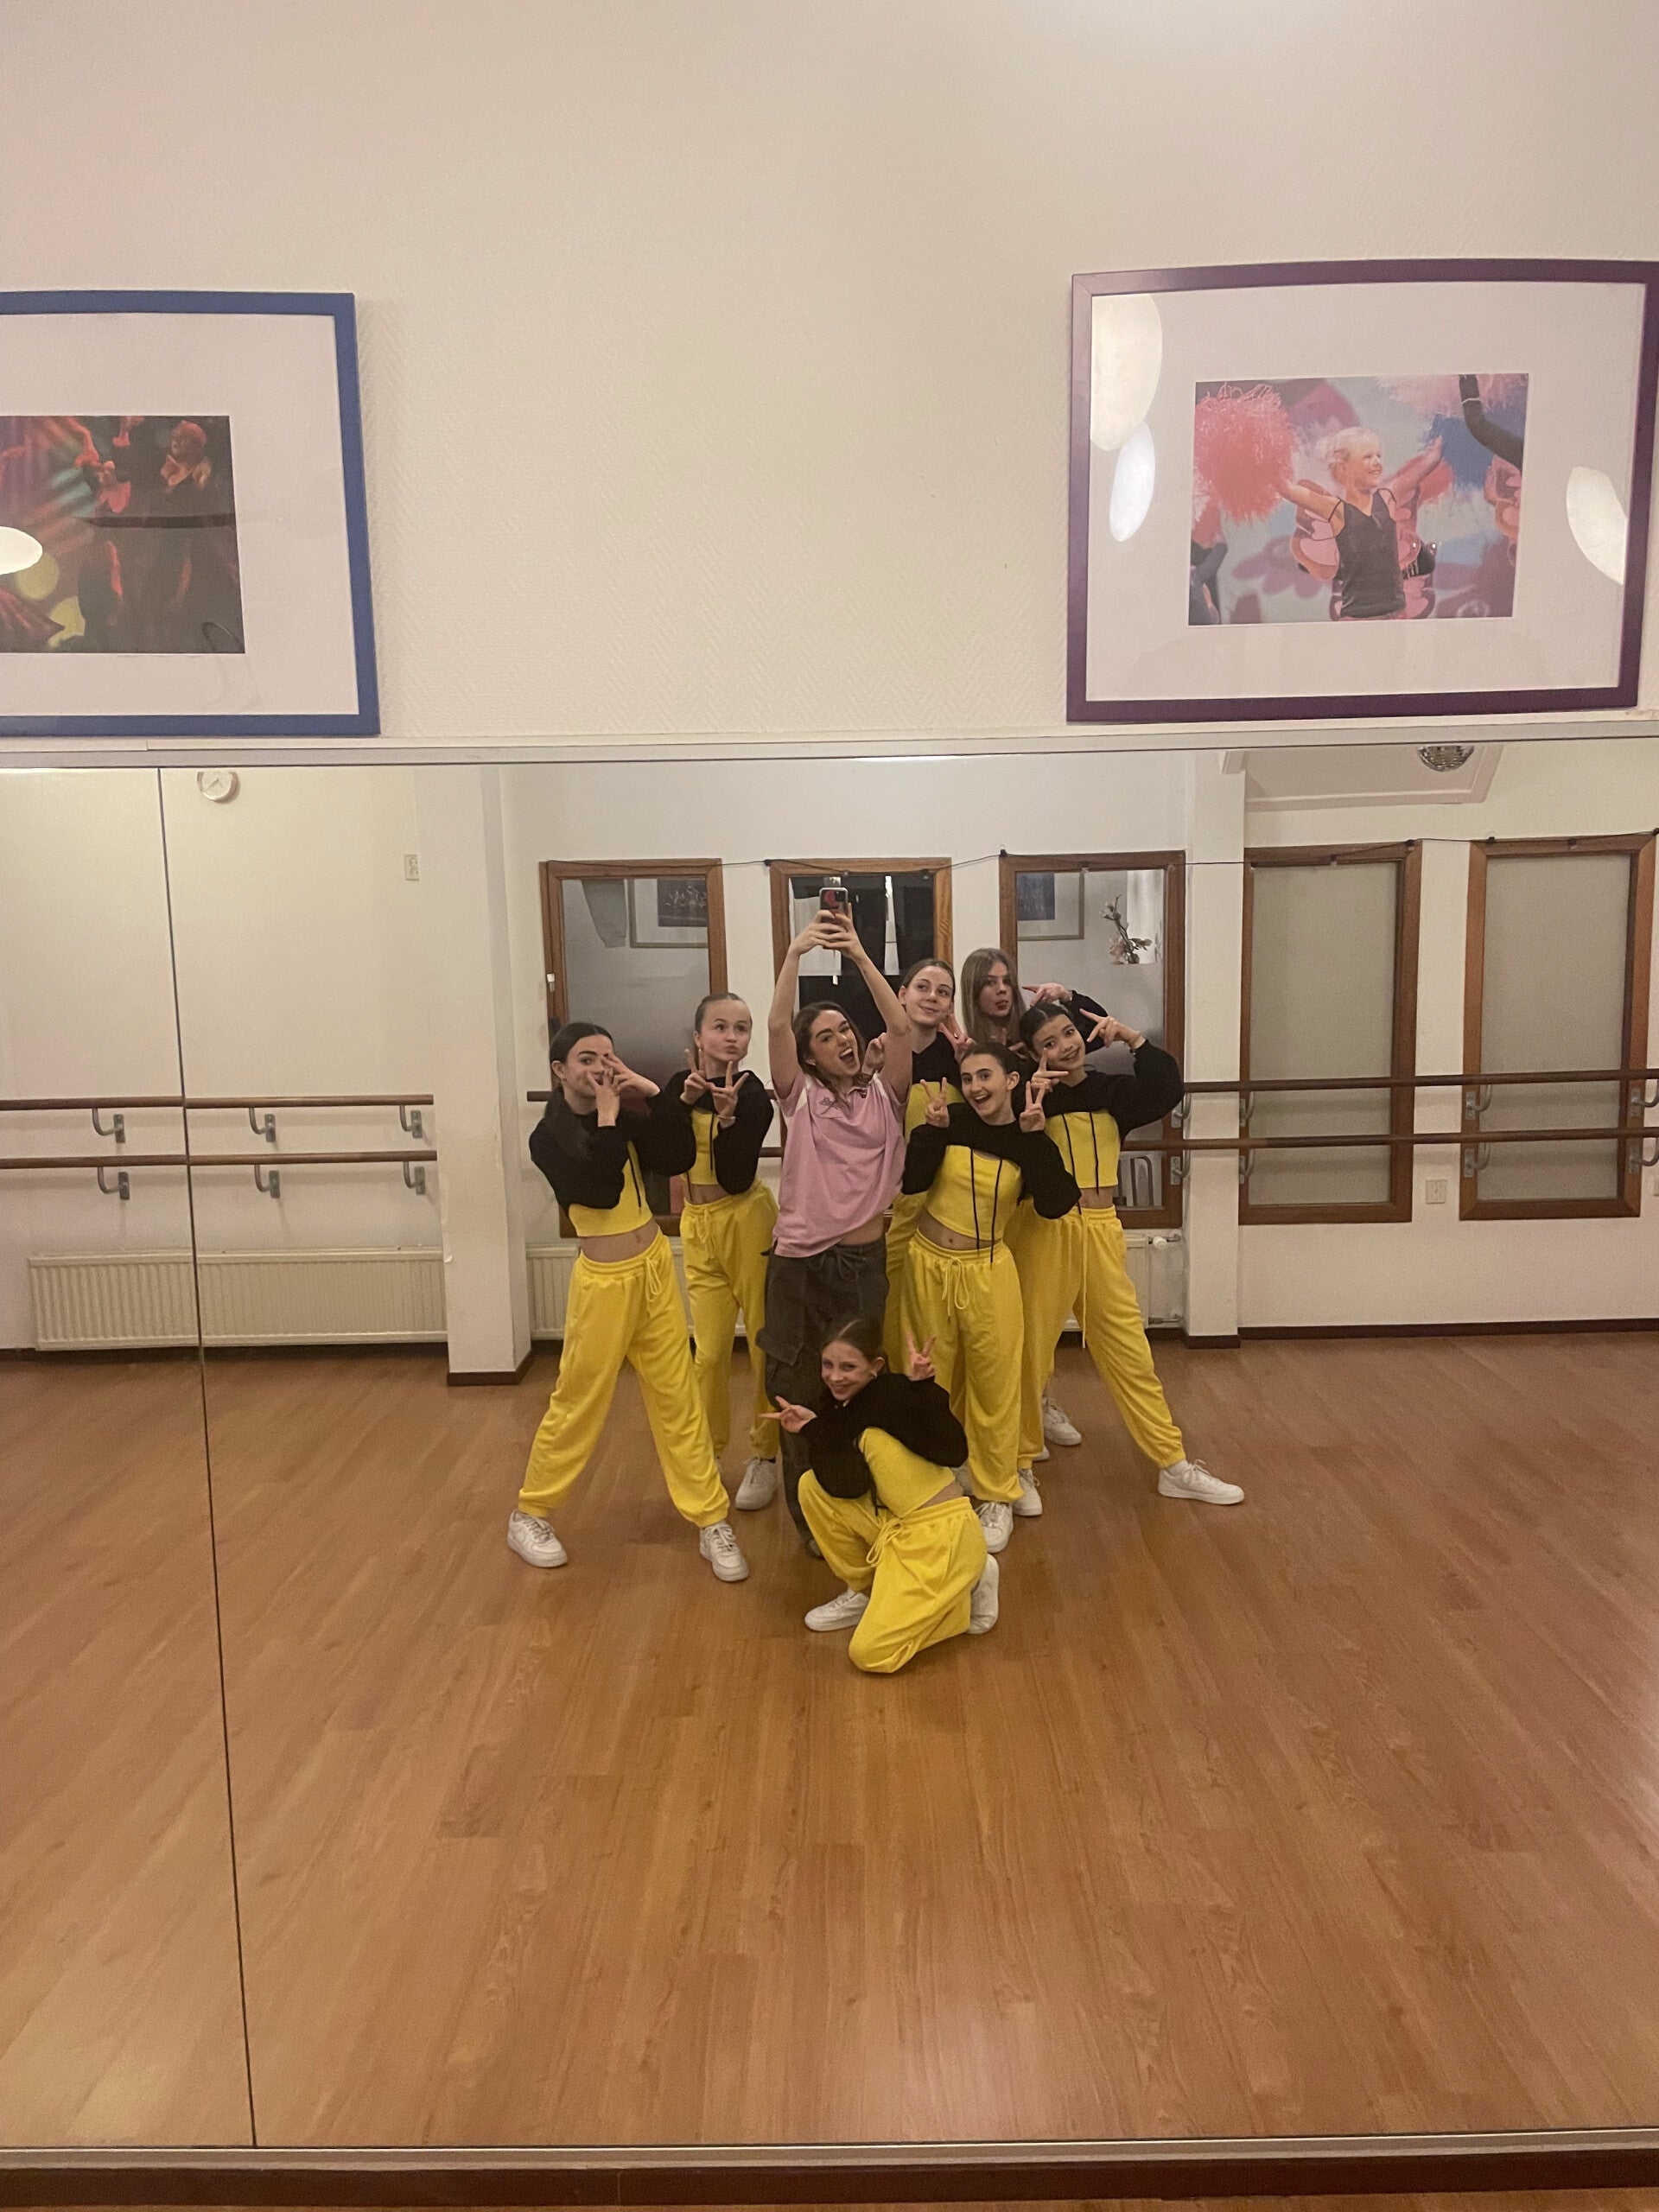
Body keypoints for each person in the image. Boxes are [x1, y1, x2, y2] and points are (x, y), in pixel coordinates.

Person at [508, 1021, 749, 1581]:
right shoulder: (548, 1137)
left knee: (678, 1395)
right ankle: (530, 1512)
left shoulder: (624, 1111)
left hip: (654, 1269)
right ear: (560, 1071)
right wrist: (610, 1118)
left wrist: (652, 1092)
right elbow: (599, 1190)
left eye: (608, 1057)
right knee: (580, 1399)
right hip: (604, 1284)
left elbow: (677, 1154)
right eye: (587, 1059)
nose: (600, 1068)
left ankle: (711, 1518)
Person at [1016, 1000, 1243, 1507]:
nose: (1064, 1047)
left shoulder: (1111, 1091)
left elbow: (1166, 1087)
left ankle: (1173, 1464)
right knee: (1031, 1353)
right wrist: (1027, 1103)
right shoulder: (1029, 1099)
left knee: (1129, 1349)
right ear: (1033, 1054)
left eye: (1068, 1033)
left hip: (1101, 1229)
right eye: (1048, 1043)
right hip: (1045, 1232)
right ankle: (1020, 1464)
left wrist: (1132, 1038)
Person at [759, 910, 913, 1547]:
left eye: (845, 1029)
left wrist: (859, 954)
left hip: (862, 1265)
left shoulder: (886, 1096)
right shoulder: (801, 1099)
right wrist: (795, 954)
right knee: (798, 1391)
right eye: (825, 1037)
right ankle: (813, 1526)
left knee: (859, 1389)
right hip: (799, 1266)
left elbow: (900, 1027)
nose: (842, 1040)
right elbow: (776, 1025)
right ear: (808, 1056)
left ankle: (863, 1506)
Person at [898, 1043, 1079, 1553]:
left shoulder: (1028, 1134)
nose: (976, 1087)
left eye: (985, 1076)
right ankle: (936, 1482)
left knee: (996, 1384)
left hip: (989, 1270)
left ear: (1012, 1081)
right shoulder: (950, 1121)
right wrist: (930, 1132)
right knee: (930, 1378)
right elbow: (912, 1182)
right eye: (968, 1078)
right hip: (927, 1266)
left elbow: (1055, 1204)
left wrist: (1036, 1142)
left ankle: (998, 1492)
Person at [957, 946, 1111, 1453]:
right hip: (989, 1198)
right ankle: (996, 1420)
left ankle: (1038, 1402)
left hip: (1038, 1195)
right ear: (974, 990)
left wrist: (1070, 996)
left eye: (1007, 980)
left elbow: (1092, 1036)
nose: (1001, 990)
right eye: (990, 982)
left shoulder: (1036, 1038)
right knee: (996, 1323)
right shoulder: (968, 1050)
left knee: (1036, 1317)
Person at [777, 1318, 998, 1674]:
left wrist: (923, 1389)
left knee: (870, 1654)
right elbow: (845, 1485)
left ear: (875, 1366)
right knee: (810, 1487)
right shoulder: (842, 1406)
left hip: (942, 1540)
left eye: (848, 1367)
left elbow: (954, 1450)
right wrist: (813, 1427)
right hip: (903, 1528)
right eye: (828, 1365)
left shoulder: (893, 1395)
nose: (835, 1376)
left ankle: (965, 1594)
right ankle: (868, 1592)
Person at [661, 993, 780, 1512]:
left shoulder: (753, 1097)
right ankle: (706, 1451)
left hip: (746, 1219)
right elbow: (665, 1155)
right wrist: (682, 1103)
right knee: (708, 1352)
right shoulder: (679, 1085)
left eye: (742, 1028)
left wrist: (729, 1121)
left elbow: (735, 1176)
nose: (732, 1037)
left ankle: (765, 1454)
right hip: (698, 1224)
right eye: (720, 1026)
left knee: (762, 1344)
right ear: (698, 1036)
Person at [880, 956, 969, 1363]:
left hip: (955, 1204)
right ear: (902, 994)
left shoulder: (961, 1058)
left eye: (943, 992)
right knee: (891, 1305)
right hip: (901, 1202)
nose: (932, 997)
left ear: (950, 1006)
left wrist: (969, 1067)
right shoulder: (878, 1053)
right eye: (923, 987)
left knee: (946, 1323)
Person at [1279, 428, 1444, 622]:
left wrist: (1440, 442)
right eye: (1367, 457)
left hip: (1394, 617)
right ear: (1344, 467)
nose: (1377, 462)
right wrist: (1265, 461)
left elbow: (1428, 463)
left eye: (1378, 456)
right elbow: (1287, 489)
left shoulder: (1387, 499)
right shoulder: (1337, 511)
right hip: (1356, 620)